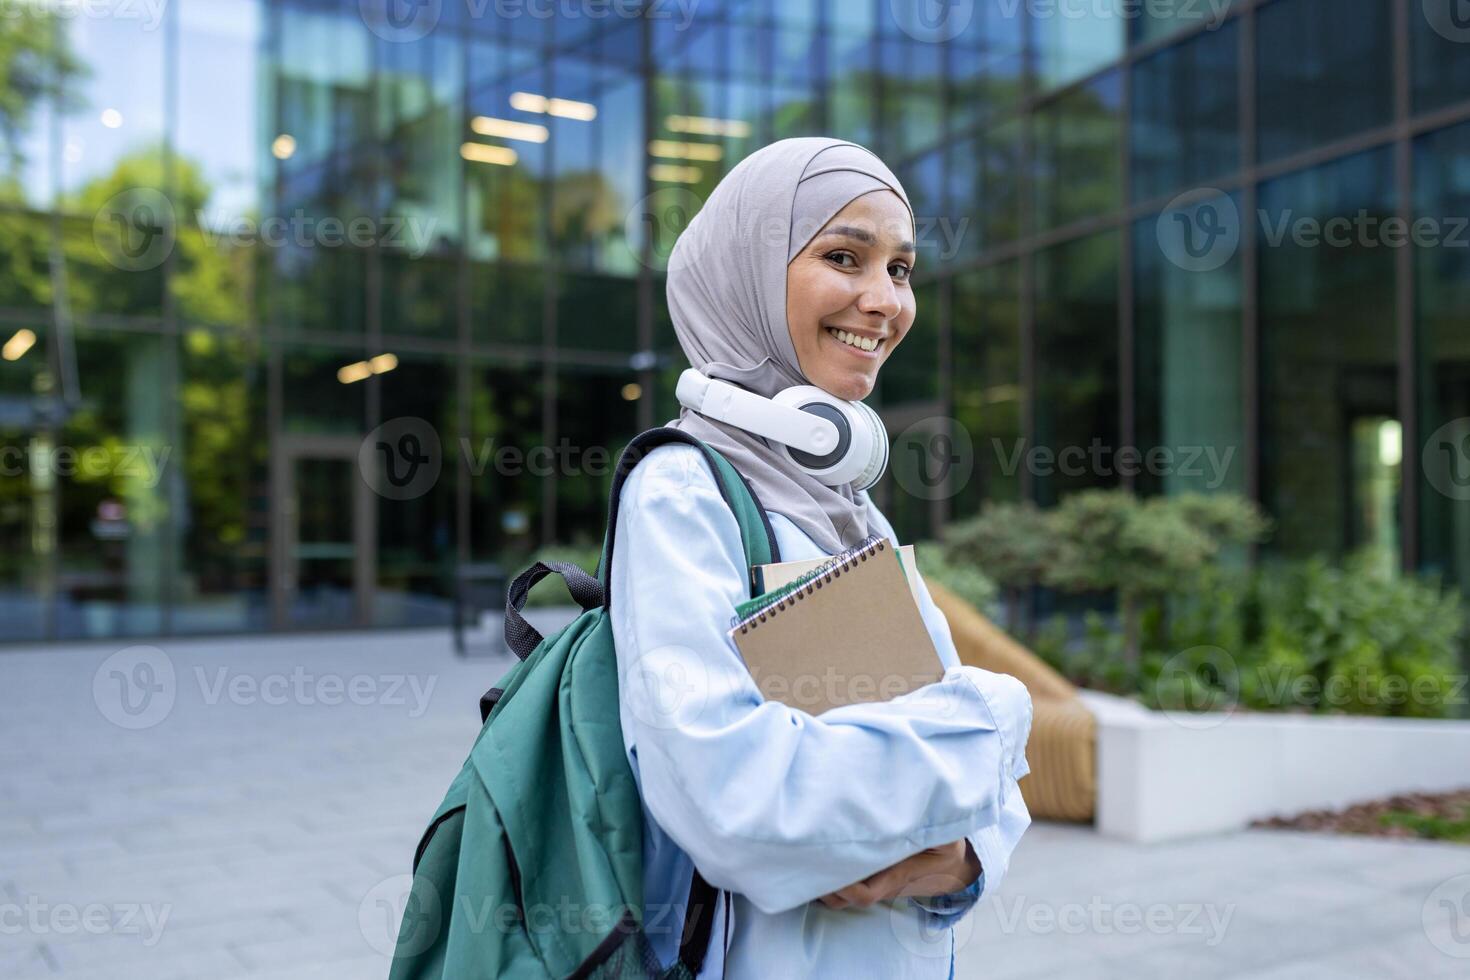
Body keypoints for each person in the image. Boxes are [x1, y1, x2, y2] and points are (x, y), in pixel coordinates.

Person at [608, 137, 1033, 980]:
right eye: (845, 257)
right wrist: (995, 719)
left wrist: (960, 862)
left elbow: (981, 808)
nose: (884, 301)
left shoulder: (848, 503)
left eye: (902, 270)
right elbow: (732, 796)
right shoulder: (682, 490)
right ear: (750, 275)